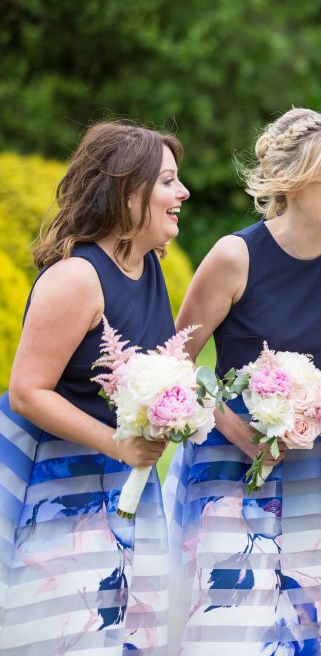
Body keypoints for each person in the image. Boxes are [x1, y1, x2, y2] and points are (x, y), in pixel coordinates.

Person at [161, 108, 321, 653]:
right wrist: (232, 428)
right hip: (229, 465)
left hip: (314, 466)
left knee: (308, 619)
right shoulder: (235, 255)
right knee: (231, 624)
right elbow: (172, 362)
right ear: (294, 180)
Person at [0, 122, 188, 652]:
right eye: (169, 182)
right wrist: (116, 444)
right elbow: (27, 391)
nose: (184, 193)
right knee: (64, 632)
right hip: (58, 486)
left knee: (122, 631)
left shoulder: (148, 265)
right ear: (130, 194)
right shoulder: (77, 278)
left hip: (122, 481)